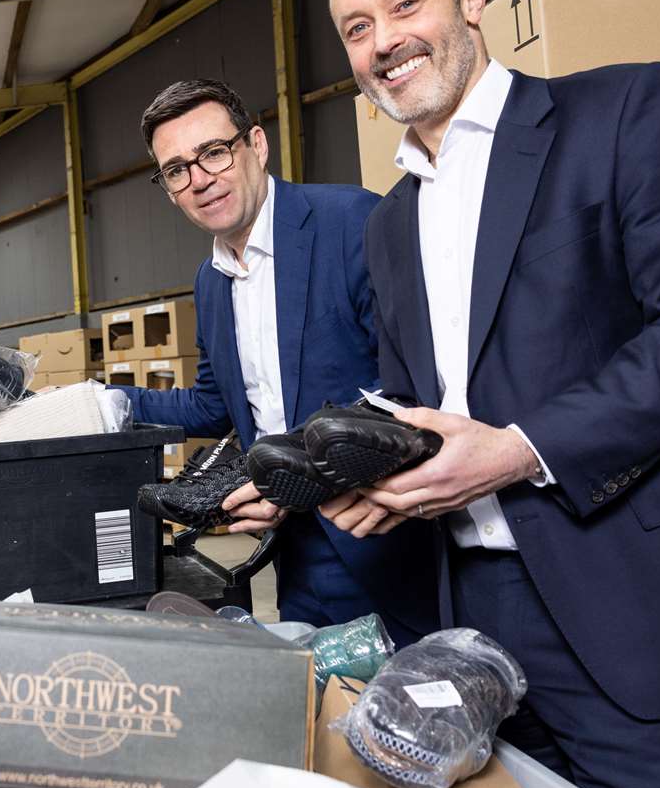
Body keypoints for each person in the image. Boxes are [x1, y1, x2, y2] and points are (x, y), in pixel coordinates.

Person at [323, 0, 660, 788]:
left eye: (403, 5)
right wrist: (360, 468)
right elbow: (420, 401)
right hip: (471, 620)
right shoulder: (388, 223)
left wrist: (518, 448)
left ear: (471, 0)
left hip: (634, 604)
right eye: (356, 29)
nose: (383, 42)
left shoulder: (622, 113)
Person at [113, 79, 438, 643]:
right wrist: (107, 401)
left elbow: (411, 391)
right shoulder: (211, 280)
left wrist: (295, 483)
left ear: (256, 146)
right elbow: (215, 404)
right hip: (296, 554)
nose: (200, 180)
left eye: (213, 152)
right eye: (176, 170)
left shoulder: (351, 222)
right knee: (318, 711)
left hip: (389, 539)